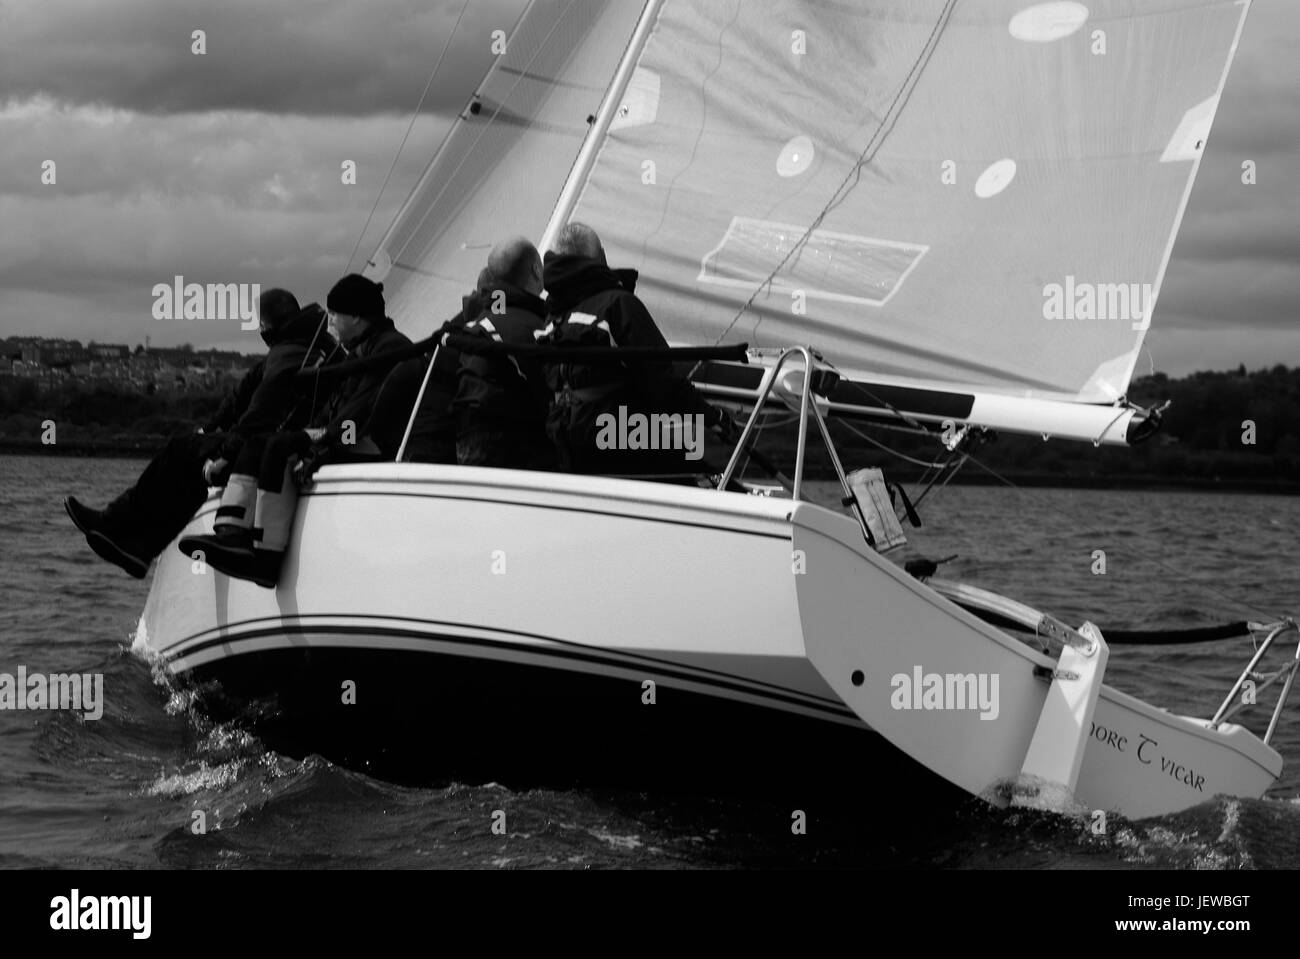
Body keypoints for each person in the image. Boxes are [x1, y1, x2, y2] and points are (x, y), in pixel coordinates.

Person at [63, 289, 333, 578]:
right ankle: (134, 543)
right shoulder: (305, 344)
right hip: (277, 442)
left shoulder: (288, 352)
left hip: (266, 447)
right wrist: (209, 430)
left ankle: (121, 530)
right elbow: (241, 397)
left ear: (268, 325)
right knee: (188, 455)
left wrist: (226, 451)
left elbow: (261, 411)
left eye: (262, 324)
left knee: (181, 451)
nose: (261, 330)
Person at [179, 273, 411, 587]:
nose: (328, 324)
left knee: (278, 447)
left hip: (372, 441)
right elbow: (344, 406)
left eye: (334, 316)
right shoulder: (365, 348)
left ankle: (267, 558)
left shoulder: (388, 348)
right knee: (261, 442)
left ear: (356, 317)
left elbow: (364, 412)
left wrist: (323, 444)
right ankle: (232, 533)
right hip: (351, 434)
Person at [536, 222, 732, 475]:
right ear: (602, 257)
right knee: (698, 474)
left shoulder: (551, 318)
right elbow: (663, 380)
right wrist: (713, 417)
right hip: (616, 435)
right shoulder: (618, 305)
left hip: (565, 437)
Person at [362, 268, 495, 462]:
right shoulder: (472, 335)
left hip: (422, 448)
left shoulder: (447, 336)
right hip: (435, 447)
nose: (331, 322)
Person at [453, 238, 553, 469]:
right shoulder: (534, 328)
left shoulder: (472, 326)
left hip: (467, 451)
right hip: (519, 456)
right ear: (537, 270)